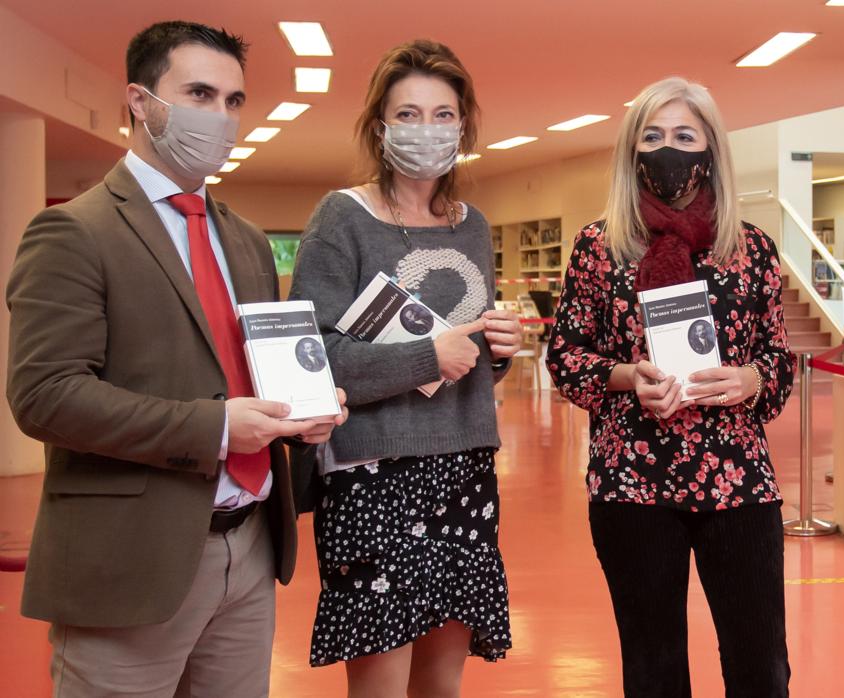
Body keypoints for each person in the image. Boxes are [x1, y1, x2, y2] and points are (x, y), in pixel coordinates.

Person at [5, 21, 347, 696]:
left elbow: (254, 369)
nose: (219, 117)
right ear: (140, 101)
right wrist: (216, 429)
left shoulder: (245, 241)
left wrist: (308, 410)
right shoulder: (75, 231)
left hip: (249, 549)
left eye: (233, 100)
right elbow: (46, 394)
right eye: (198, 93)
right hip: (129, 559)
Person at [547, 77, 795, 698]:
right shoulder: (599, 248)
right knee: (653, 667)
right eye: (652, 137)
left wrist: (748, 379)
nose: (668, 150)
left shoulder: (752, 250)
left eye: (684, 135)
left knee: (760, 664)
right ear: (632, 150)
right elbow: (567, 356)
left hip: (737, 479)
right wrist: (630, 377)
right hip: (632, 481)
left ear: (711, 147)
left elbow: (779, 360)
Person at [288, 39, 521, 697]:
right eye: (409, 113)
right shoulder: (343, 220)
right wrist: (428, 355)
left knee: (441, 683)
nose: (427, 130)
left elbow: (468, 363)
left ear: (464, 127)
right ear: (379, 125)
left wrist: (494, 353)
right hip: (372, 476)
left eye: (443, 114)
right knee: (381, 685)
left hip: (466, 468)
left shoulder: (472, 227)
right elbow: (314, 361)